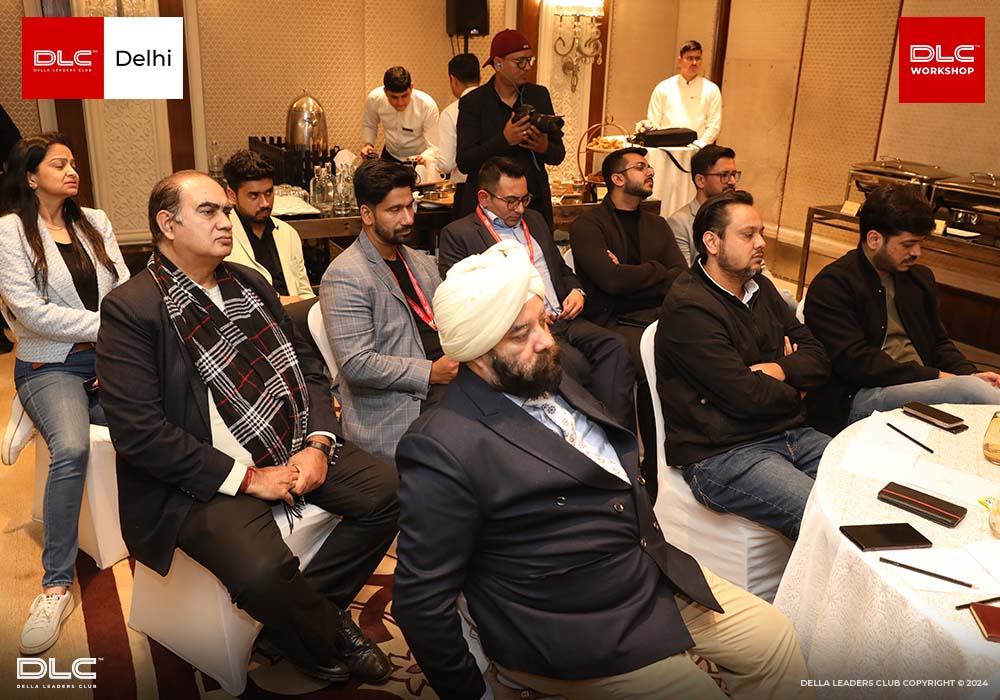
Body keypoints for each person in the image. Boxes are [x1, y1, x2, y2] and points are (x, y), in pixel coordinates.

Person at [393, 240, 812, 700]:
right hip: (572, 626)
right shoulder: (442, 444)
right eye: (519, 333)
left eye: (543, 322)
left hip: (649, 572)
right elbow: (420, 601)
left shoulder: (542, 374)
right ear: (475, 349)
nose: (545, 340)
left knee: (775, 640)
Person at [95, 170, 398, 685]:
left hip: (291, 441)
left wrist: (318, 442)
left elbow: (307, 365)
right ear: (167, 224)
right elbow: (140, 433)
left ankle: (299, 621)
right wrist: (249, 478)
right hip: (201, 478)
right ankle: (325, 631)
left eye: (225, 210)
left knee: (391, 491)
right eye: (208, 211)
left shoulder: (248, 281)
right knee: (261, 571)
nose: (225, 221)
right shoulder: (133, 307)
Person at [0, 133, 130, 654]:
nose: (72, 170)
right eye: (59, 164)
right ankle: (55, 587)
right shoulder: (10, 231)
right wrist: (107, 326)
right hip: (48, 363)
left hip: (108, 360)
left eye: (73, 163)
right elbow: (30, 313)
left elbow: (122, 285)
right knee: (72, 448)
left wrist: (116, 330)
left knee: (160, 424)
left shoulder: (94, 221)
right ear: (32, 177)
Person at [656, 191, 830, 540]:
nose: (761, 243)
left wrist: (778, 370)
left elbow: (819, 358)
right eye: (748, 234)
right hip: (723, 453)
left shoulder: (760, 288)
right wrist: (797, 389)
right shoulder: (689, 306)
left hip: (791, 433)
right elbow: (745, 396)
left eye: (760, 233)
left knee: (869, 484)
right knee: (827, 517)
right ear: (712, 242)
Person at [438, 156, 635, 428]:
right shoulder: (459, 234)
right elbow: (469, 298)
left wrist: (577, 291)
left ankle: (613, 433)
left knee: (616, 347)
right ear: (484, 198)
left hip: (564, 316)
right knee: (574, 365)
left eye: (524, 199)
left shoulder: (535, 220)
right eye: (511, 201)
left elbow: (560, 269)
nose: (519, 208)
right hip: (524, 328)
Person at [804, 184, 1000, 436]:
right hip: (862, 396)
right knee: (972, 392)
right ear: (874, 239)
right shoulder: (833, 285)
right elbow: (858, 363)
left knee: (985, 388)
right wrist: (942, 378)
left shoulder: (918, 279)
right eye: (908, 244)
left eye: (920, 243)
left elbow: (939, 343)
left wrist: (970, 373)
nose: (917, 253)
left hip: (921, 383)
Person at [320, 159, 457, 464]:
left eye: (410, 206)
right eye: (395, 210)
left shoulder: (419, 262)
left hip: (446, 386)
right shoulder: (345, 275)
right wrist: (431, 373)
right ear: (367, 214)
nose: (408, 218)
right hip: (396, 408)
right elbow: (357, 364)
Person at [569, 146, 687, 497]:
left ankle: (684, 458)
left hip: (660, 316)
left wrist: (631, 271)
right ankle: (646, 473)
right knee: (653, 365)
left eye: (648, 166)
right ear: (617, 179)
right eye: (640, 167)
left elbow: (680, 276)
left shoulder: (657, 223)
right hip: (615, 321)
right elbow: (610, 281)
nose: (650, 172)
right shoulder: (589, 224)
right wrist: (656, 271)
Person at [455, 29, 565, 229]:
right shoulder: (474, 102)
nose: (527, 67)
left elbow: (558, 155)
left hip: (532, 205)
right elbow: (465, 161)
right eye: (520, 62)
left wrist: (543, 147)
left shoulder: (539, 95)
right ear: (498, 63)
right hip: (489, 208)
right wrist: (504, 140)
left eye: (529, 60)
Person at [666, 144, 738, 265]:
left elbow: (758, 265)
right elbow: (684, 273)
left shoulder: (738, 217)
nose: (732, 181)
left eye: (734, 174)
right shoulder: (679, 223)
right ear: (700, 180)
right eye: (724, 175)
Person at [646, 40, 722, 149]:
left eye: (697, 58)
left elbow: (714, 125)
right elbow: (653, 121)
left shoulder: (711, 89)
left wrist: (699, 145)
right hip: (665, 149)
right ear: (680, 60)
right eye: (690, 58)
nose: (694, 63)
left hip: (696, 149)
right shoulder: (663, 87)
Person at [360, 66, 439, 166]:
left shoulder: (427, 105)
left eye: (404, 96)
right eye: (394, 97)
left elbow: (434, 145)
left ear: (411, 87)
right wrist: (368, 144)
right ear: (385, 91)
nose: (400, 103)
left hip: (418, 157)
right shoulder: (375, 99)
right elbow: (370, 125)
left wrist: (424, 157)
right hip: (390, 154)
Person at [435, 53, 481, 218]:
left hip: (468, 189)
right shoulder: (493, 104)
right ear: (480, 77)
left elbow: (446, 163)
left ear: (453, 80)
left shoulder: (452, 111)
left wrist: (433, 161)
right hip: (497, 188)